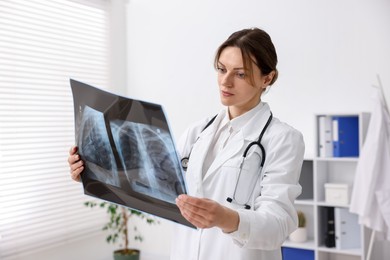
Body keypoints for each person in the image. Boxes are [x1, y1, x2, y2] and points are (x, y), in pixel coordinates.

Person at [68, 27, 305, 260]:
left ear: (268, 78)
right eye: (221, 69)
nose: (226, 81)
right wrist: (94, 170)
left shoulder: (283, 139)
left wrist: (227, 218)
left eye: (240, 74)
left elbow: (278, 223)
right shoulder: (197, 132)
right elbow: (155, 186)